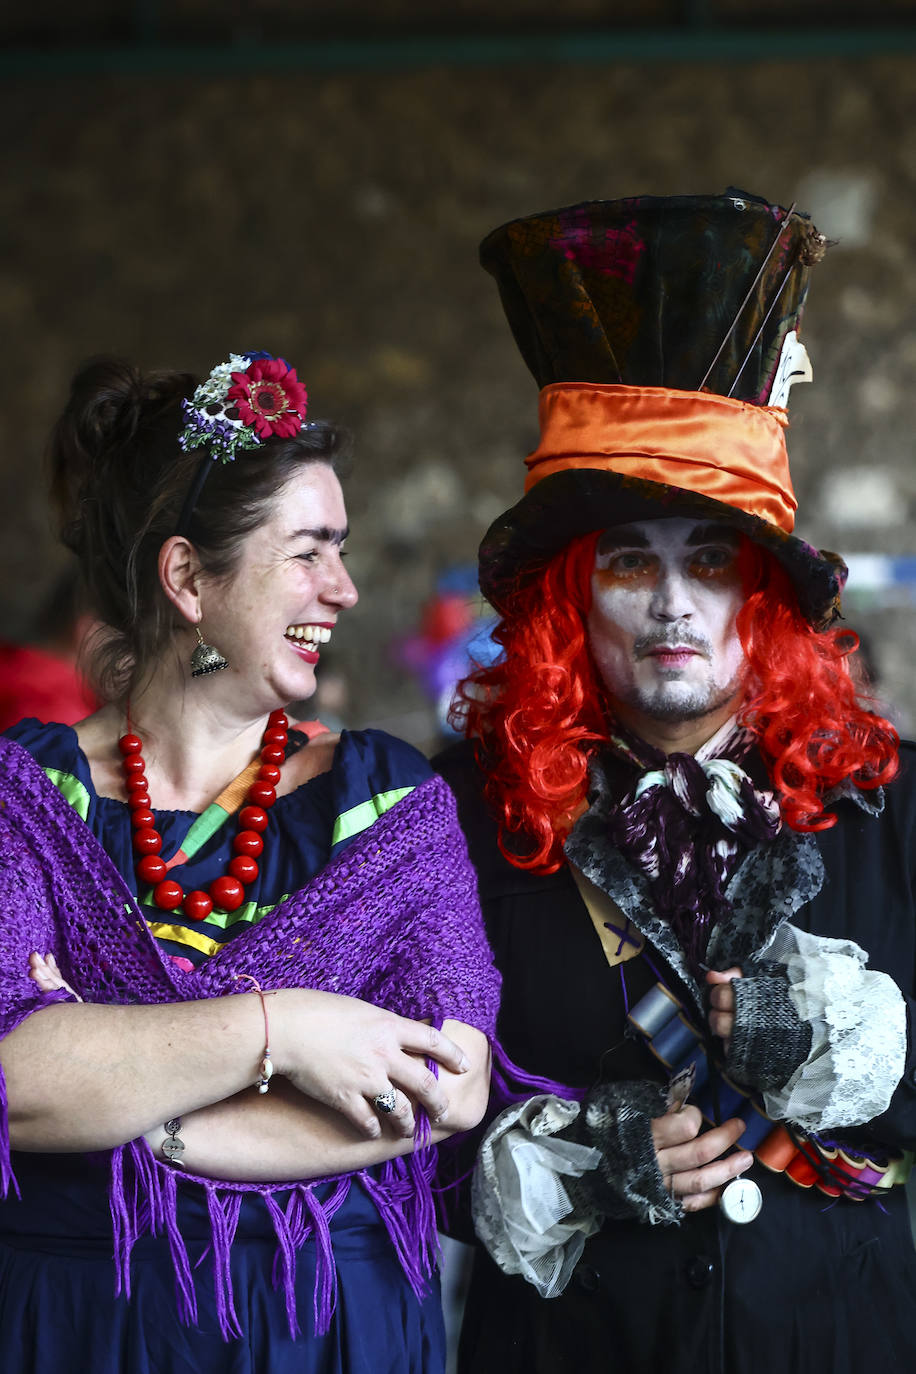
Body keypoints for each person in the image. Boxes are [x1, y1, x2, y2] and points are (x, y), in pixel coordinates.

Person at [435, 193, 916, 1374]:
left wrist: (827, 1043)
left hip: (836, 1337)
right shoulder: (457, 811)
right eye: (626, 564)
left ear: (761, 597)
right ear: (566, 604)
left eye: (710, 561)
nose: (670, 605)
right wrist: (583, 1164)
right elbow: (398, 1127)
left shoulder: (883, 794)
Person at [0, 350, 498, 1374]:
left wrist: (133, 1103)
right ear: (189, 578)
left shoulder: (389, 803)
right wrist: (294, 1027)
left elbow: (446, 1086)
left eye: (342, 552)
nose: (347, 590)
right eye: (310, 551)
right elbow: (12, 1084)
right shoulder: (26, 794)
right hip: (76, 1324)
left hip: (322, 1324)